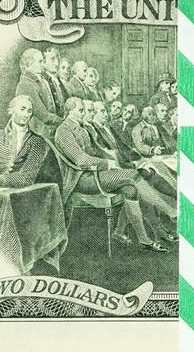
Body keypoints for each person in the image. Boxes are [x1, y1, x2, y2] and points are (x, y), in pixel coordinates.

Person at [53, 97, 165, 251]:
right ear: (70, 111)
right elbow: (80, 160)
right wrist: (108, 164)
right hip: (81, 179)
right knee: (133, 175)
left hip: (95, 174)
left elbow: (95, 152)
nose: (84, 113)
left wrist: (115, 162)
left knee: (130, 190)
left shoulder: (81, 128)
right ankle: (168, 210)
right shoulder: (63, 130)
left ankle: (144, 240)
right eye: (81, 110)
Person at [14, 48, 64, 138]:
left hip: (46, 132)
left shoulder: (39, 80)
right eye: (40, 62)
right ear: (29, 63)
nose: (43, 65)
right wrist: (64, 122)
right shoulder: (26, 84)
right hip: (37, 134)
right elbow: (43, 116)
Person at [41, 49, 69, 116]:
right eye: (52, 59)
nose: (57, 63)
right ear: (43, 62)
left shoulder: (59, 80)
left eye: (58, 60)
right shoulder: (42, 81)